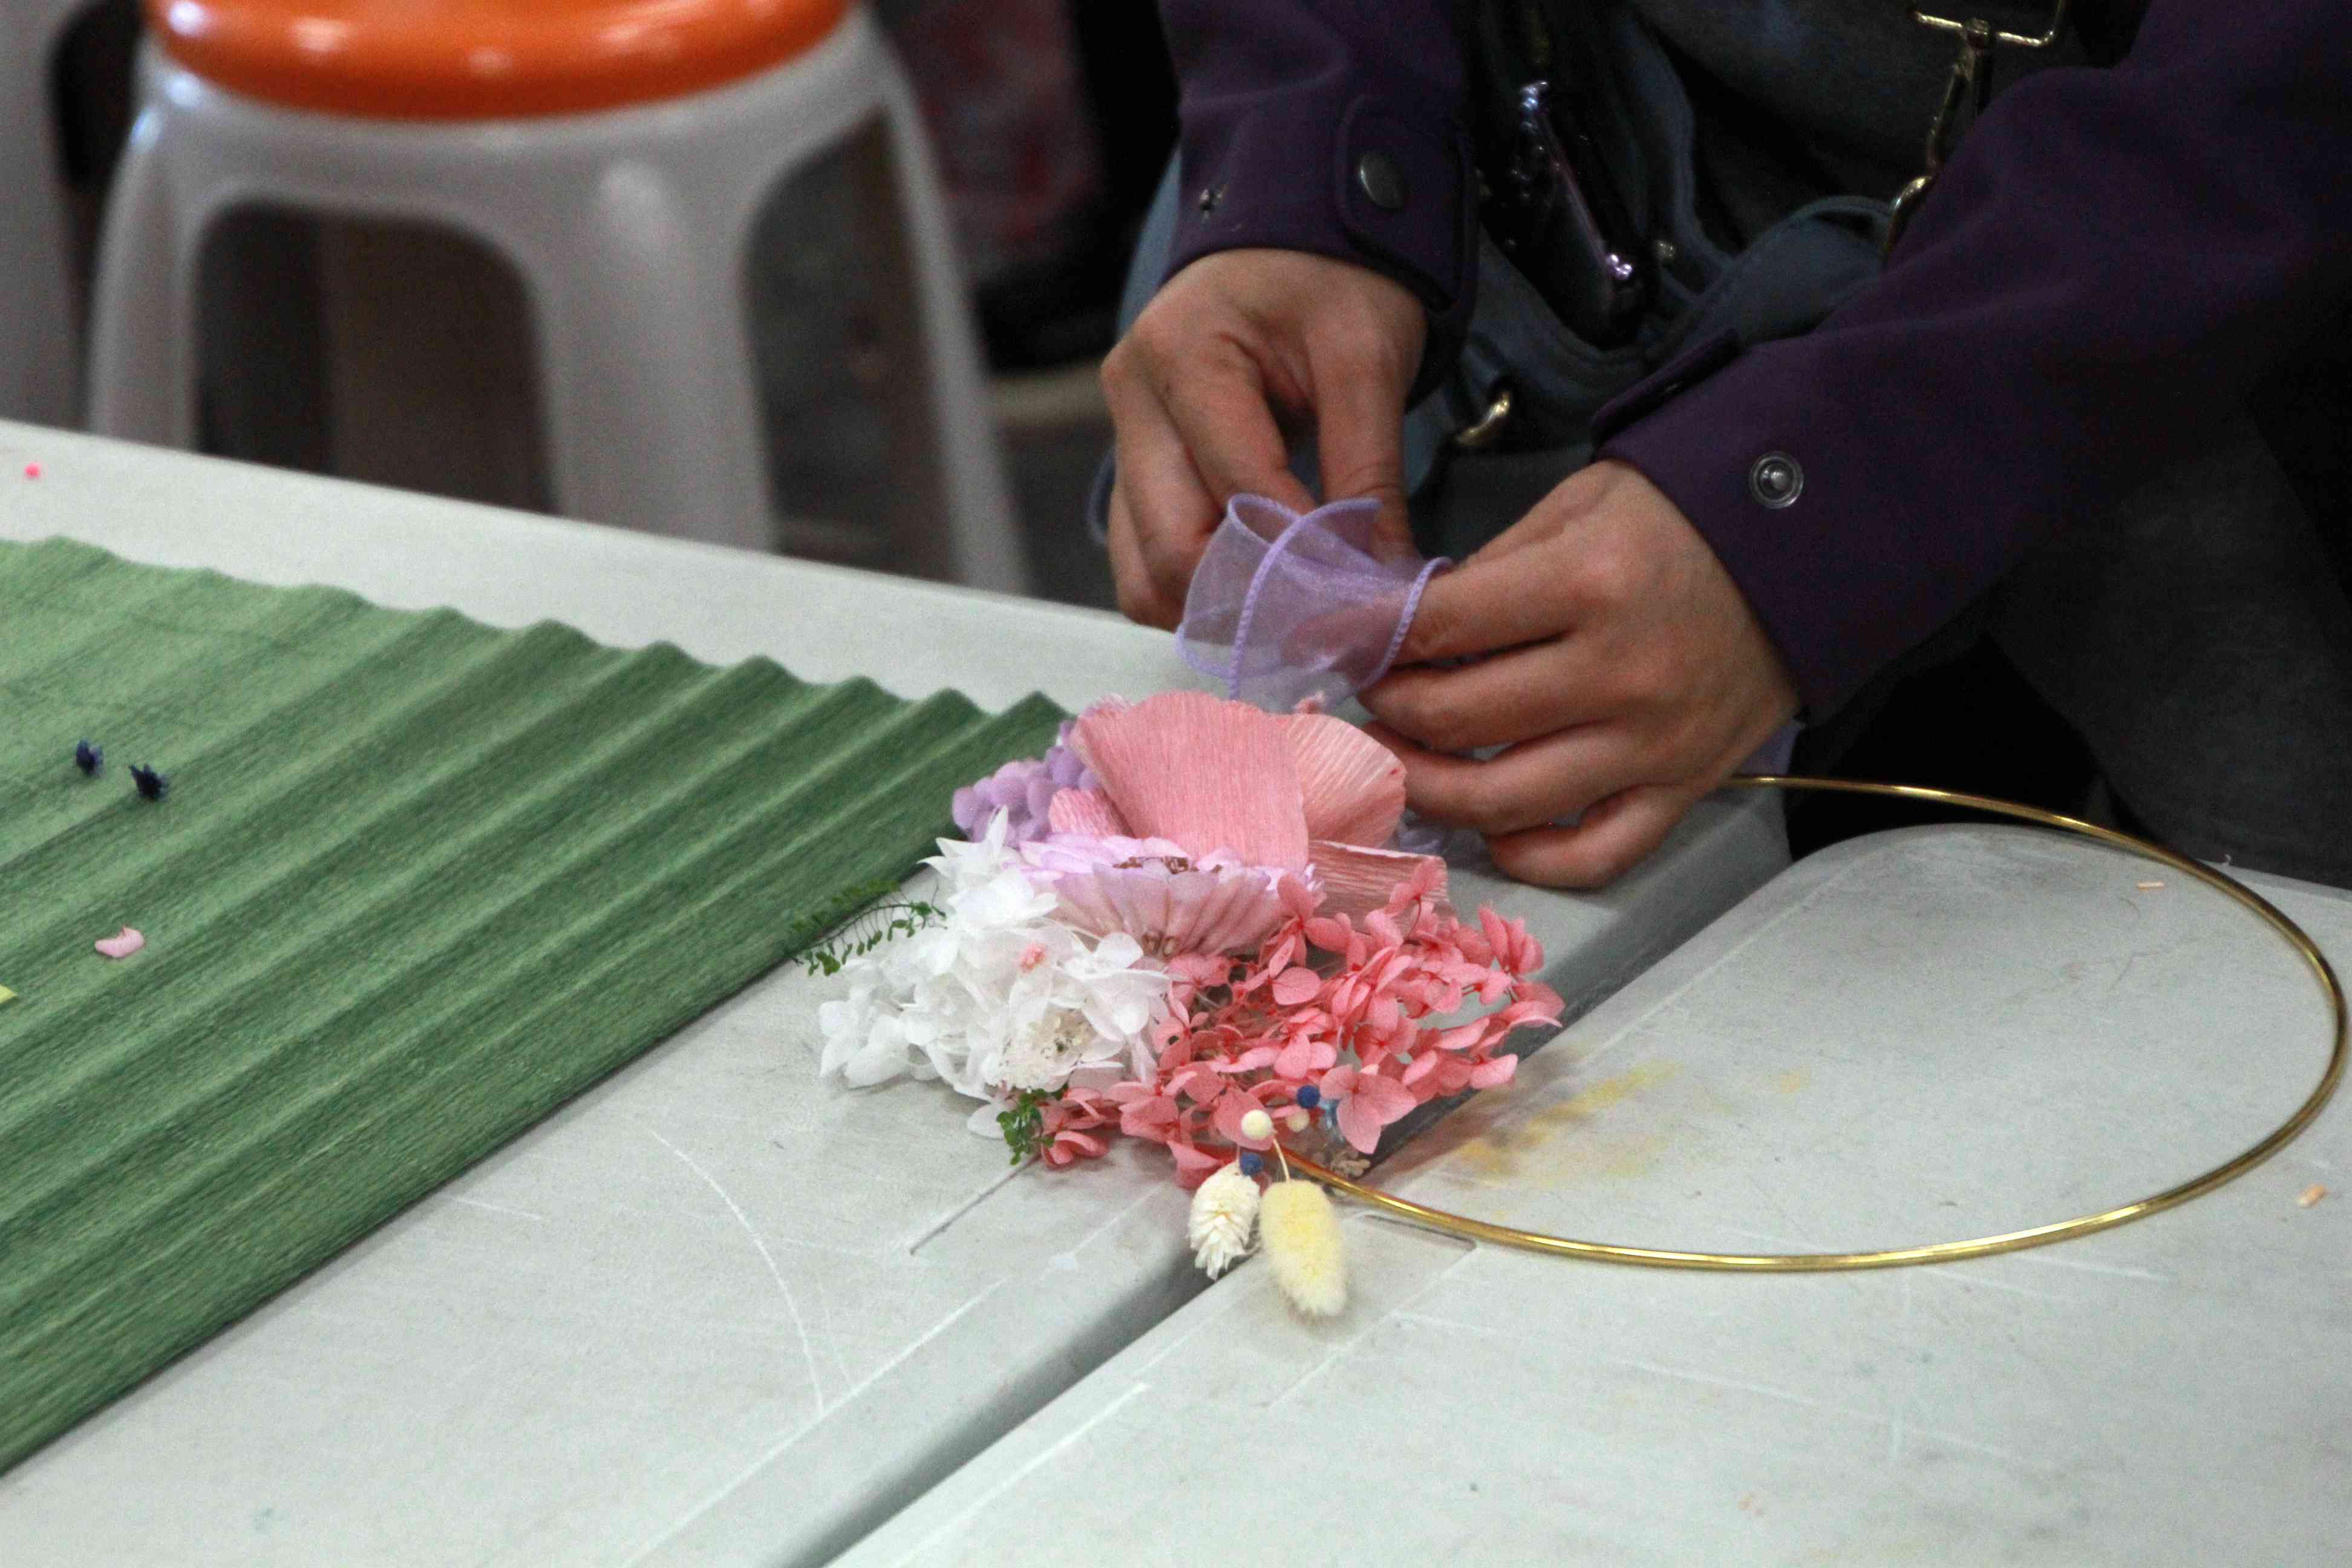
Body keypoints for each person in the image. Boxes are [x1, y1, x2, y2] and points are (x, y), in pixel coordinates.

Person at [1100, 1, 2352, 889]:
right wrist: (1306, 150)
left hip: (2202, 284)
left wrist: (1833, 489)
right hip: (1553, 183)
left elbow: (2287, 87)